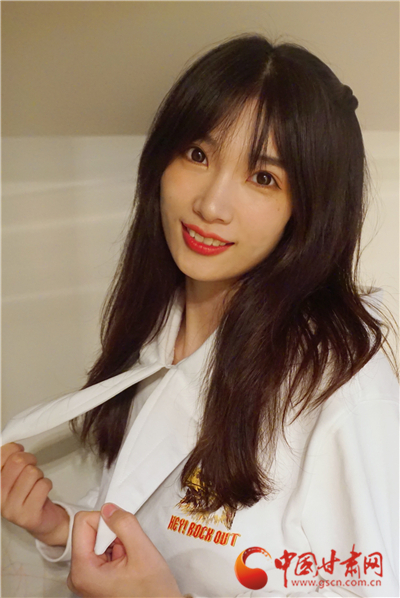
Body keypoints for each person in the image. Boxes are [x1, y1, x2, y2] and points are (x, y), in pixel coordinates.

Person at [1, 35, 398, 598]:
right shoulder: (156, 334)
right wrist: (57, 528)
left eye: (263, 178)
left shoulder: (339, 384)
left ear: (307, 209)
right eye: (198, 154)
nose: (211, 205)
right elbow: (140, 518)